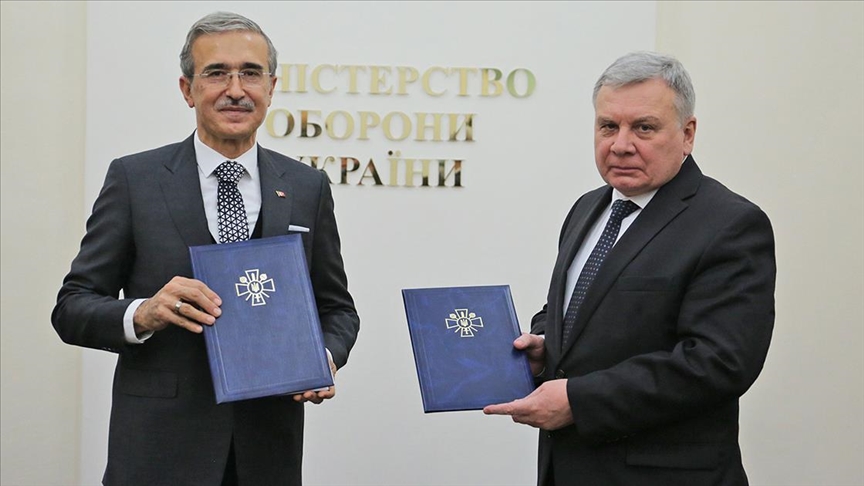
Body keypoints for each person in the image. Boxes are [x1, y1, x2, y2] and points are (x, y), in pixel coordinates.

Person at [52, 12, 360, 486]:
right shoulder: (135, 180)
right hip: (157, 452)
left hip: (267, 452)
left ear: (271, 87)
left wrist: (321, 356)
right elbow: (72, 307)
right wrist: (143, 313)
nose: (235, 90)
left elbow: (337, 310)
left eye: (251, 73)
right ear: (187, 89)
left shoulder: (306, 186)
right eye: (216, 73)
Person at [484, 51, 775, 485]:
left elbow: (718, 363)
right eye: (608, 126)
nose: (621, 144)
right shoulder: (588, 208)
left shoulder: (730, 224)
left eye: (644, 127)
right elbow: (576, 310)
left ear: (688, 134)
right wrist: (545, 346)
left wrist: (580, 400)